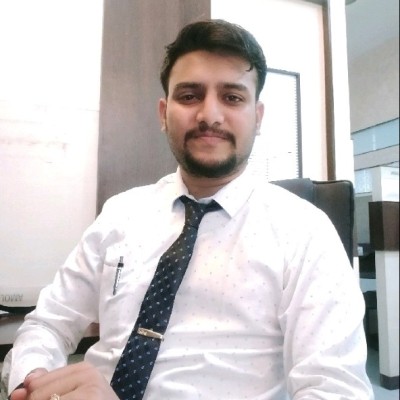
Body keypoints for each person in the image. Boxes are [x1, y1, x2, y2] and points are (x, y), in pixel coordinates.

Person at [1, 19, 373, 400]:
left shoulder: (306, 233)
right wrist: (34, 384)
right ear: (164, 113)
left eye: (232, 97)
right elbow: (47, 325)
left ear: (257, 117)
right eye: (190, 95)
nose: (209, 115)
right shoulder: (120, 214)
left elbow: (336, 391)